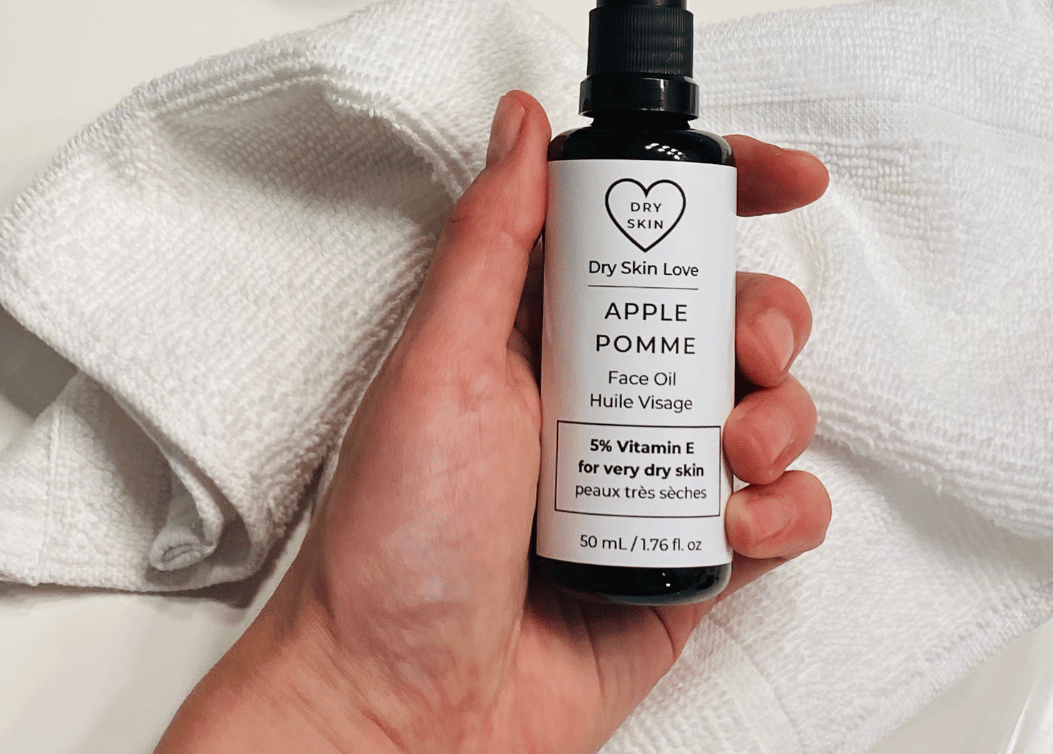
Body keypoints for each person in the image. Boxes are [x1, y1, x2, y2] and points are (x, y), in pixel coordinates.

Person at [155, 91, 832, 754]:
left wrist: (349, 700)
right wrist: (348, 687)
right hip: (487, 604)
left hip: (607, 564)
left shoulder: (691, 164)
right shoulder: (580, 162)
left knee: (711, 345)